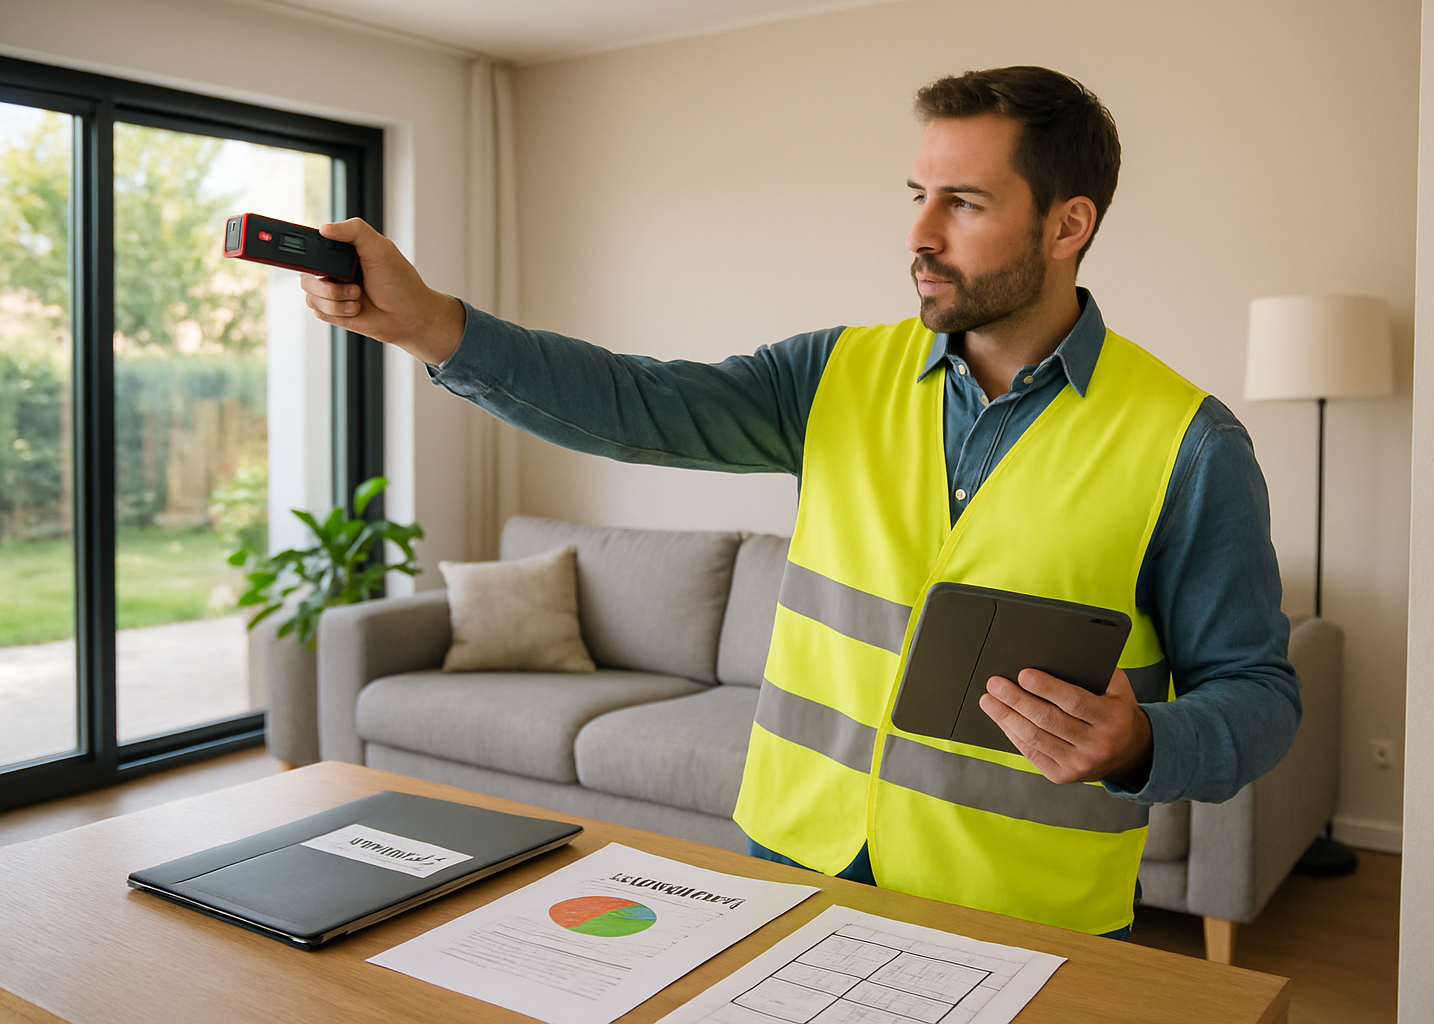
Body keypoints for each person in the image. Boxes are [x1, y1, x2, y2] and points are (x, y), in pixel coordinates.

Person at [300, 66, 1300, 939]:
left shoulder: (1189, 445)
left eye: (963, 202)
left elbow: (1259, 696)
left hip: (1026, 917)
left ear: (1068, 223)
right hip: (791, 862)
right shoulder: (836, 375)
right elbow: (635, 401)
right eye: (917, 194)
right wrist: (433, 325)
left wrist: (1143, 742)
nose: (918, 233)